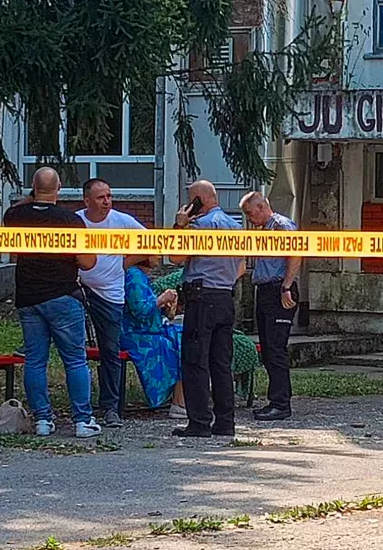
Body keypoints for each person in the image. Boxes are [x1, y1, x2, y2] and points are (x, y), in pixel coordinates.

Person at [3, 167, 102, 438]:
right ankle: (82, 421)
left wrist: (32, 197)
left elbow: (19, 213)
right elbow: (87, 261)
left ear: (33, 188)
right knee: (74, 360)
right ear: (59, 187)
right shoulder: (69, 220)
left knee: (35, 361)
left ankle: (43, 421)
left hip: (28, 298)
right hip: (62, 297)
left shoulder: (14, 216)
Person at [169, 180, 245, 437]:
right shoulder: (235, 226)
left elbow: (175, 257)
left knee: (195, 361)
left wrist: (180, 224)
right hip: (225, 297)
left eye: (191, 200)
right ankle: (225, 423)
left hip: (201, 299)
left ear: (198, 200)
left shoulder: (199, 226)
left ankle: (199, 422)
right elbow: (241, 267)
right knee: (221, 363)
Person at [76, 178, 146, 427]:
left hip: (111, 295)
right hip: (79, 290)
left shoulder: (122, 221)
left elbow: (151, 245)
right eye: (100, 197)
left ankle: (110, 408)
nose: (106, 201)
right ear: (87, 201)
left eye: (108, 196)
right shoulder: (77, 222)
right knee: (73, 351)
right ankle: (79, 408)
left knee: (110, 352)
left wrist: (124, 263)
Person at [239, 191, 300, 421]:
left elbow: (296, 254)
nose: (248, 218)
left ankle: (281, 404)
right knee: (268, 350)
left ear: (261, 207)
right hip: (265, 291)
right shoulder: (264, 231)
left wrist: (287, 286)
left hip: (279, 291)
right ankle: (277, 399)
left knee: (275, 349)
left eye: (249, 213)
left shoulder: (282, 226)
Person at [119, 256, 186, 417]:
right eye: (154, 252)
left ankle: (180, 399)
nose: (159, 255)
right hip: (135, 335)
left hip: (147, 330)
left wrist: (166, 307)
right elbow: (140, 310)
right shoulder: (133, 276)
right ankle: (179, 401)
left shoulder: (141, 276)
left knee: (187, 336)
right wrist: (162, 298)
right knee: (183, 340)